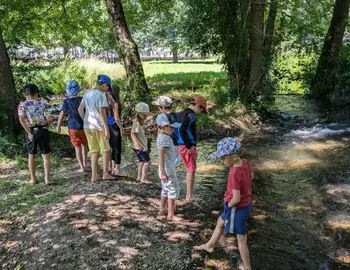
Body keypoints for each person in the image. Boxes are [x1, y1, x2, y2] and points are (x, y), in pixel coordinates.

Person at [193, 137, 253, 270]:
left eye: (224, 158)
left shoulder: (234, 173)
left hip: (236, 207)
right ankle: (210, 245)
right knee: (220, 221)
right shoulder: (246, 163)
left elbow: (236, 198)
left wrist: (228, 205)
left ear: (235, 157)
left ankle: (248, 267)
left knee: (241, 239)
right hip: (246, 204)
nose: (222, 161)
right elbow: (251, 177)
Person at [78, 74, 114, 182]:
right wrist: (106, 128)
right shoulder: (101, 95)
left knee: (94, 151)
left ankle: (94, 176)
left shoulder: (87, 93)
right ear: (104, 85)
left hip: (88, 126)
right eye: (108, 87)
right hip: (99, 127)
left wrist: (86, 120)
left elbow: (80, 109)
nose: (107, 90)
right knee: (106, 150)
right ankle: (105, 174)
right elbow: (102, 112)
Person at [174, 95, 208, 201]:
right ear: (198, 106)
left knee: (189, 168)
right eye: (201, 110)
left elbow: (176, 130)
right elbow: (182, 130)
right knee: (191, 170)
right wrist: (189, 145)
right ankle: (189, 196)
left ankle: (189, 194)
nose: (201, 113)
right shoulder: (190, 115)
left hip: (180, 145)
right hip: (187, 146)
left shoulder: (181, 113)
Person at [18, 84, 53, 185]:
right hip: (43, 129)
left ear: (25, 94)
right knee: (46, 156)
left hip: (31, 130)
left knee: (31, 155)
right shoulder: (43, 104)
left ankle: (33, 179)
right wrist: (47, 125)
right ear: (36, 93)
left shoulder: (22, 105)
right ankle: (47, 179)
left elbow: (21, 119)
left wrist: (28, 132)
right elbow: (50, 118)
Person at [57, 80, 88, 172]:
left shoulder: (66, 102)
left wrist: (59, 125)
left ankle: (81, 167)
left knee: (77, 147)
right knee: (85, 145)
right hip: (83, 127)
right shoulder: (82, 99)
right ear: (78, 89)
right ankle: (86, 164)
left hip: (72, 128)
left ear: (67, 91)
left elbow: (61, 115)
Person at [156, 113, 182, 221]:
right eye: (170, 127)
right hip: (168, 170)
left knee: (165, 189)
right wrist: (163, 172)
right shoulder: (166, 139)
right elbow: (161, 154)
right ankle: (171, 214)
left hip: (164, 169)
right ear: (162, 127)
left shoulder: (161, 136)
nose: (173, 129)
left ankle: (162, 209)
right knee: (172, 190)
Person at [153, 96, 180, 166]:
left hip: (166, 143)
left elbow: (159, 133)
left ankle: (163, 174)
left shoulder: (161, 117)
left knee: (165, 163)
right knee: (173, 165)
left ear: (163, 107)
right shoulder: (178, 115)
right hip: (177, 144)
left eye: (158, 108)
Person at [130, 102, 153, 184]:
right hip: (140, 146)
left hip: (142, 146)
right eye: (145, 114)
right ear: (140, 113)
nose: (146, 116)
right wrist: (138, 144)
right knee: (147, 162)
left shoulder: (140, 122)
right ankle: (144, 178)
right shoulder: (136, 122)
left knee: (142, 161)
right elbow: (132, 134)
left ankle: (139, 177)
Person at [106, 84, 123, 175]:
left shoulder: (107, 103)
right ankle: (118, 169)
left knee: (111, 147)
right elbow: (116, 118)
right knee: (118, 148)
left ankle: (112, 168)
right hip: (115, 127)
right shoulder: (115, 103)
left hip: (108, 127)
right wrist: (121, 128)